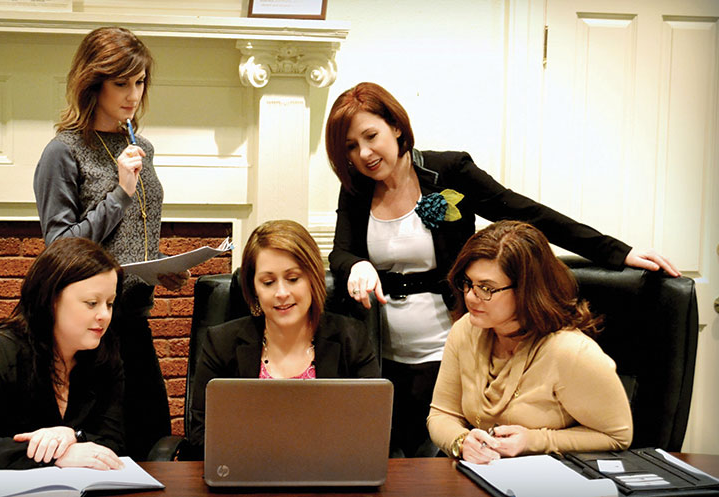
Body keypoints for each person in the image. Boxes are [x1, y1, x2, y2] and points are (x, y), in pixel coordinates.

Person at [325, 82, 675, 457]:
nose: (364, 153)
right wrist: (356, 264)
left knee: (442, 458)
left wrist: (616, 251)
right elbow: (340, 252)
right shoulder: (356, 190)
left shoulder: (450, 171)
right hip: (386, 355)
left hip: (451, 349)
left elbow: (525, 212)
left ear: (395, 126)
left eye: (370, 136)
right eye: (349, 146)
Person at [34, 26, 188, 460]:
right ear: (93, 82)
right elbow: (59, 251)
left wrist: (160, 266)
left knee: (154, 443)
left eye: (140, 82)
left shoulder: (142, 146)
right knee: (100, 454)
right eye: (122, 83)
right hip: (89, 332)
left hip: (135, 321)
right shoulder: (62, 152)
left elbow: (133, 236)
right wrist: (119, 193)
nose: (133, 94)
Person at [427, 220, 632, 462]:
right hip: (481, 475)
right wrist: (461, 441)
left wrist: (535, 441)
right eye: (468, 283)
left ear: (527, 289)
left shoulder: (571, 352)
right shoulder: (467, 329)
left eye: (486, 288)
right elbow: (441, 414)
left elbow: (617, 436)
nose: (471, 297)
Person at [0, 238, 126, 475]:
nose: (104, 315)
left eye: (109, 304)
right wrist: (56, 454)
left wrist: (73, 437)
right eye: (91, 303)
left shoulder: (105, 353)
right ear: (51, 300)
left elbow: (114, 443)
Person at [188, 220, 379, 449]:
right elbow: (202, 435)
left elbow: (373, 430)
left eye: (293, 279)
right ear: (254, 288)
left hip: (329, 477)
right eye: (268, 282)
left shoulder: (351, 338)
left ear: (312, 279)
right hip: (248, 476)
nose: (281, 293)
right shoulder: (222, 343)